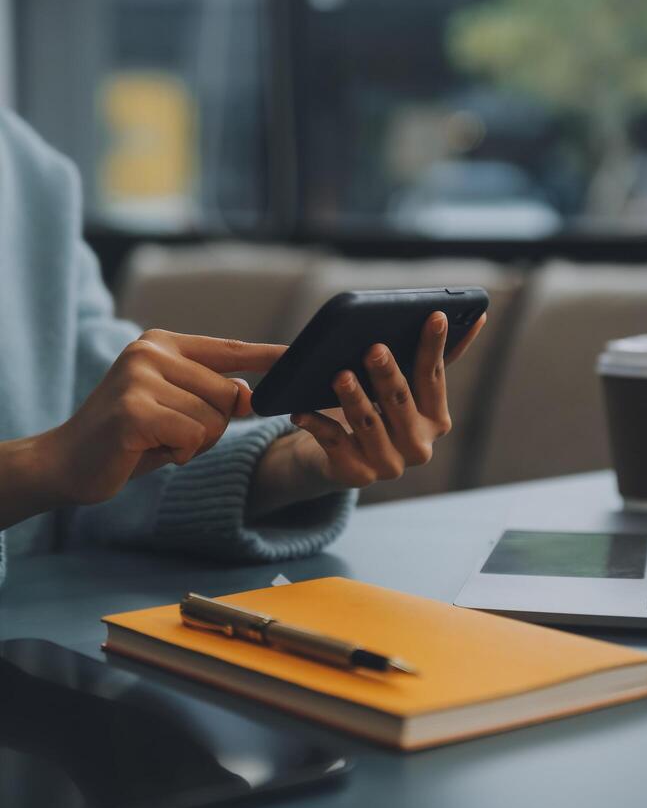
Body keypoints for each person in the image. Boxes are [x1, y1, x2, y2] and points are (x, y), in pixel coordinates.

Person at [0, 109, 485, 586]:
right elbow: (63, 464)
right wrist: (40, 465)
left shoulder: (29, 169)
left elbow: (99, 477)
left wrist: (297, 463)